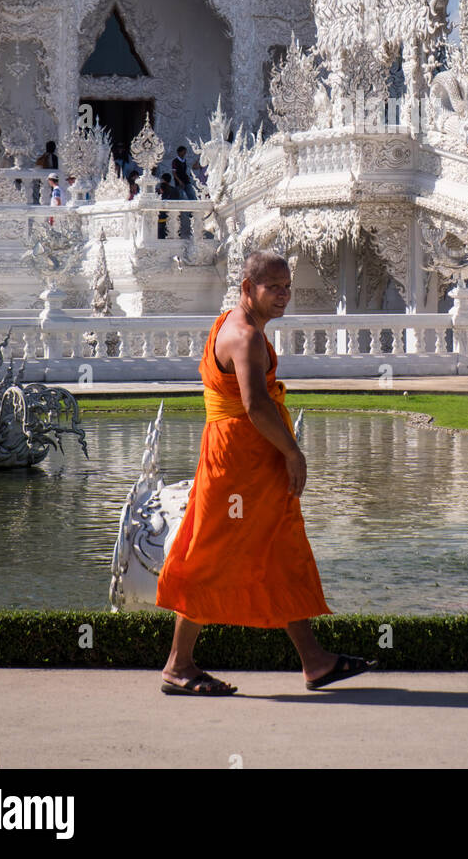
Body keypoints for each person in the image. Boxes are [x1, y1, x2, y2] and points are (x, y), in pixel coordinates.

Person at [156, 250, 376, 695]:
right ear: (247, 288)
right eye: (272, 287)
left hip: (246, 456)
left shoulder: (230, 322)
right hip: (238, 461)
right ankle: (178, 665)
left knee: (277, 546)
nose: (282, 295)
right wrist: (294, 454)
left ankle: (315, 661)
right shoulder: (245, 337)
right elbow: (255, 405)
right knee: (213, 552)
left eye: (286, 286)